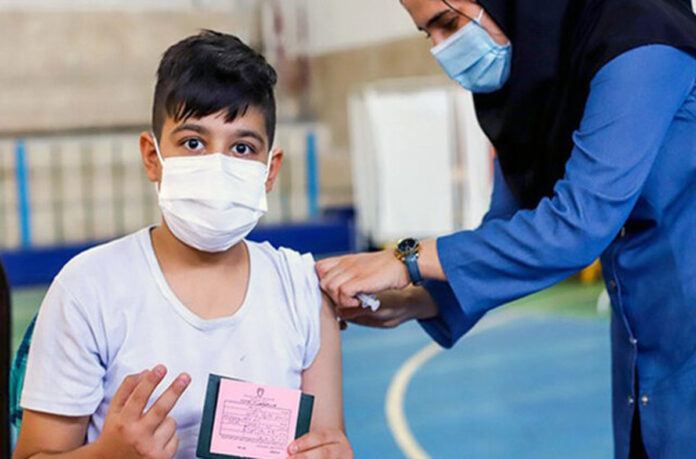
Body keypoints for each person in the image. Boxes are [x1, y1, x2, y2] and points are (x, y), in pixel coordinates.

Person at [318, 0, 696, 457]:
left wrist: (406, 259)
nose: (441, 49)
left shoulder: (641, 36)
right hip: (644, 352)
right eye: (427, 35)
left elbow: (577, 225)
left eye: (448, 23)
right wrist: (419, 300)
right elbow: (510, 221)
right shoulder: (544, 77)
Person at [13, 30, 352, 459]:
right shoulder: (88, 289)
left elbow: (327, 442)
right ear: (152, 157)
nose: (217, 166)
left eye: (242, 147)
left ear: (270, 170)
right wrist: (110, 454)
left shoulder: (301, 290)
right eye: (193, 143)